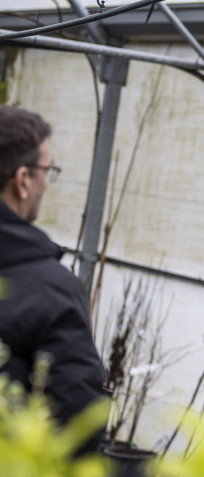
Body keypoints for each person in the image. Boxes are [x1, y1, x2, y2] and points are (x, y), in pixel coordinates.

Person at [0, 106, 107, 453]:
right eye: (47, 170)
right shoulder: (50, 289)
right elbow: (78, 429)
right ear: (23, 180)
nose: (48, 181)